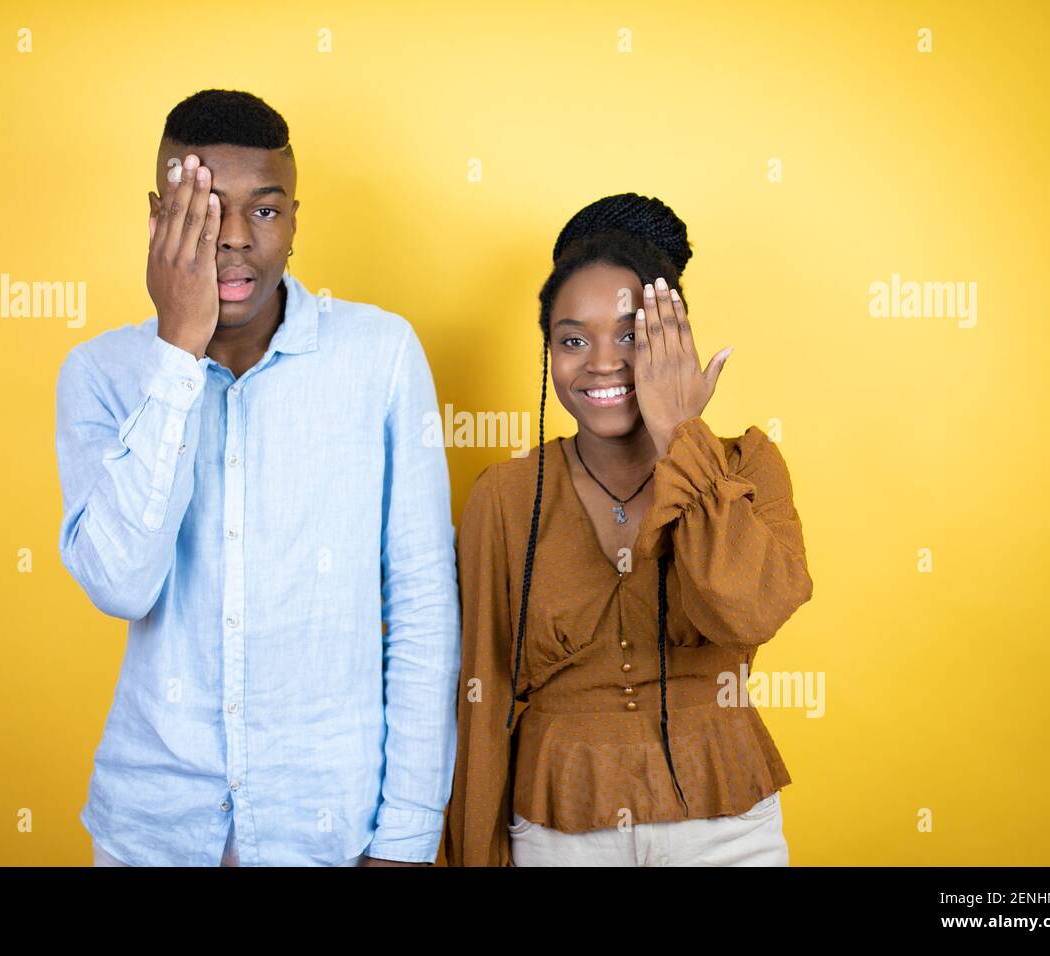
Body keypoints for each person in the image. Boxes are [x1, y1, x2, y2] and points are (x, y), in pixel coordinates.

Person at [54, 89, 460, 866]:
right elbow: (121, 584)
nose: (234, 239)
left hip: (329, 827)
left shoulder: (380, 355)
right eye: (205, 208)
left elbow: (421, 602)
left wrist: (408, 834)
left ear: (296, 220)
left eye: (265, 211)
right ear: (157, 215)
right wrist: (177, 350)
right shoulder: (101, 374)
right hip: (152, 829)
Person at [443, 193, 814, 867]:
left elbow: (745, 610)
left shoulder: (746, 467)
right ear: (549, 350)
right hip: (558, 829)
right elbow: (480, 698)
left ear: (676, 343)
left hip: (727, 824)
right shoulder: (503, 497)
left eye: (633, 336)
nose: (602, 364)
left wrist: (681, 433)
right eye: (573, 340)